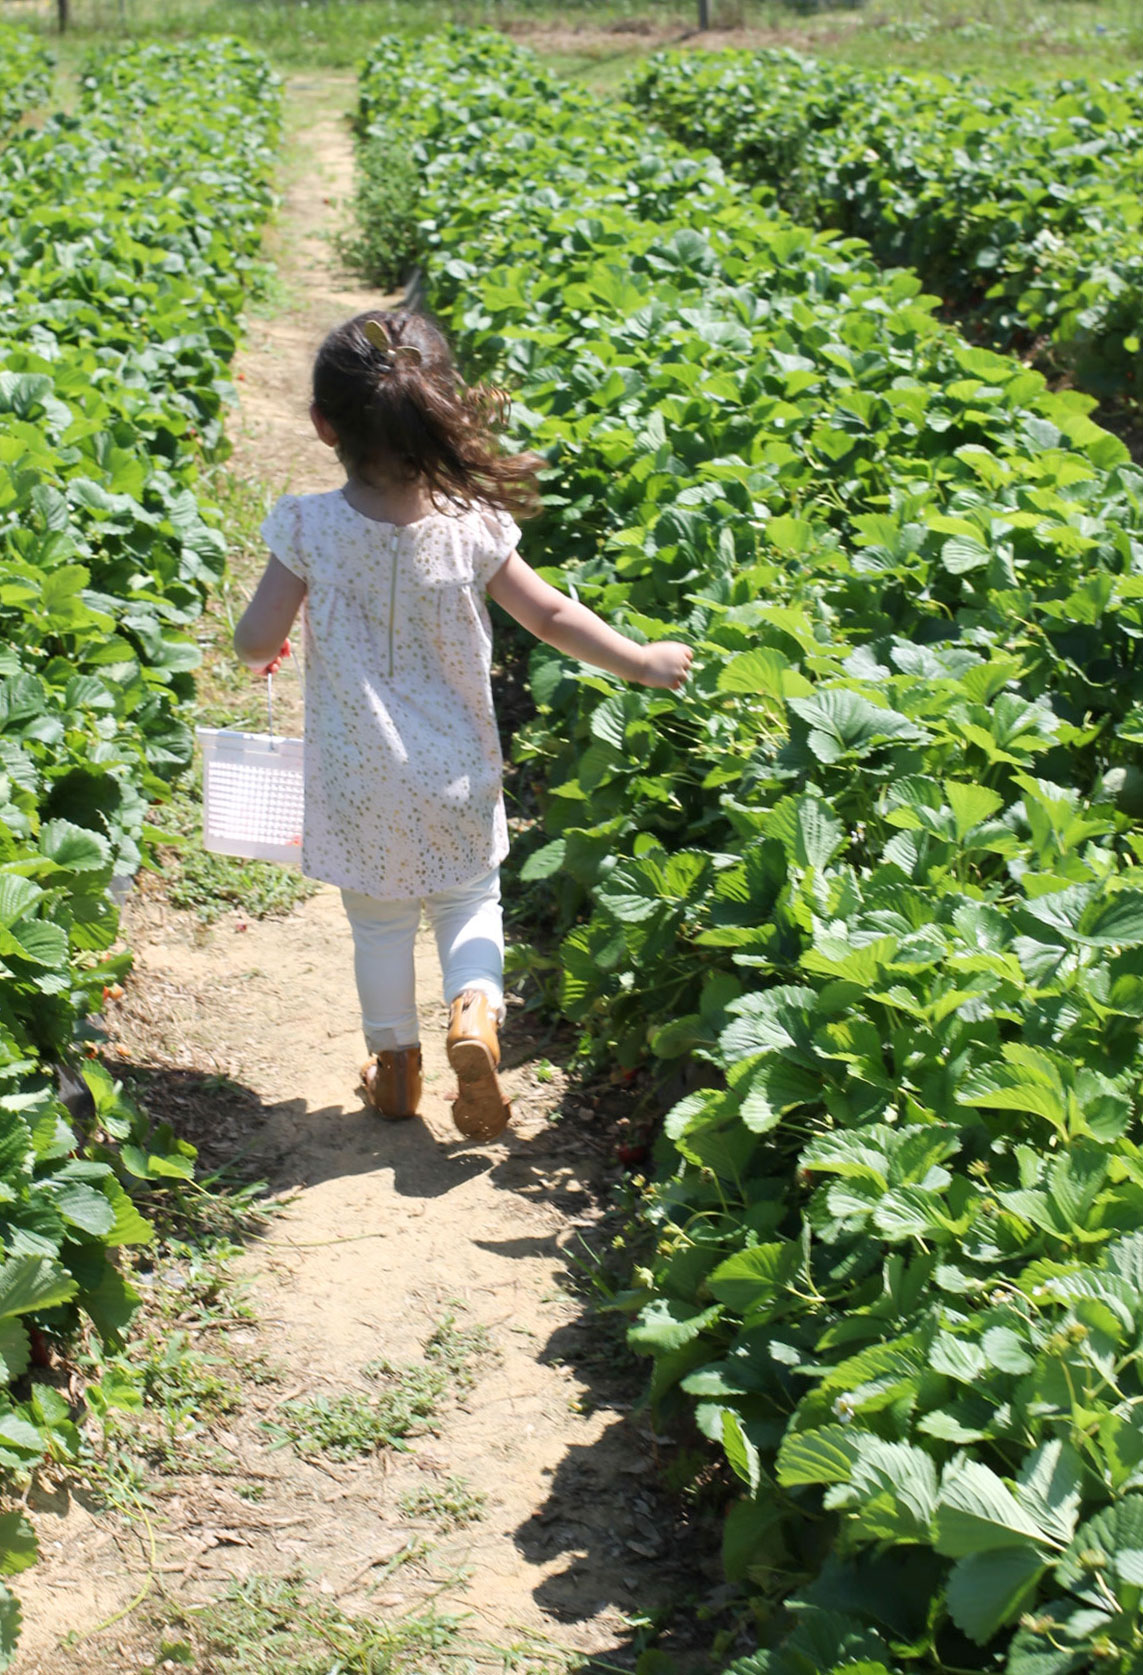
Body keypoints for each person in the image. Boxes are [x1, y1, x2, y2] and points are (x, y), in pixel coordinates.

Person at [234, 309, 692, 1143]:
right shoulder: (474, 527)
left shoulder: (307, 528)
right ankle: (474, 1012)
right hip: (457, 771)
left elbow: (254, 640)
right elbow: (551, 617)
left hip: (356, 775)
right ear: (440, 413)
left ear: (323, 425)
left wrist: (266, 646)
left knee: (376, 923)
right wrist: (642, 659)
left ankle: (395, 1065)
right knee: (468, 902)